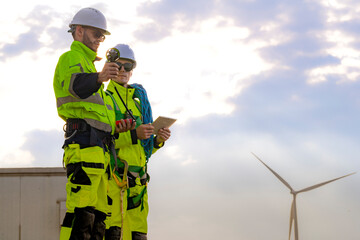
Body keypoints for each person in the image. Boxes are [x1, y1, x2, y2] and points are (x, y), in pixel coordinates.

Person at [53, 8, 130, 240]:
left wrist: (120, 127)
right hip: (84, 147)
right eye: (96, 34)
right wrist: (99, 77)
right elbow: (76, 86)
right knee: (81, 214)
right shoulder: (71, 58)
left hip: (100, 153)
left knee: (97, 218)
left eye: (102, 36)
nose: (99, 40)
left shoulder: (90, 68)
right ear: (79, 31)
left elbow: (99, 117)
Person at [104, 44, 171, 240]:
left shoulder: (137, 102)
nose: (123, 70)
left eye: (128, 66)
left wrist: (157, 141)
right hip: (115, 184)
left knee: (137, 235)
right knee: (113, 233)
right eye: (118, 66)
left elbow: (140, 149)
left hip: (138, 188)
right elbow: (102, 139)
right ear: (111, 67)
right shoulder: (105, 98)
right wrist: (135, 135)